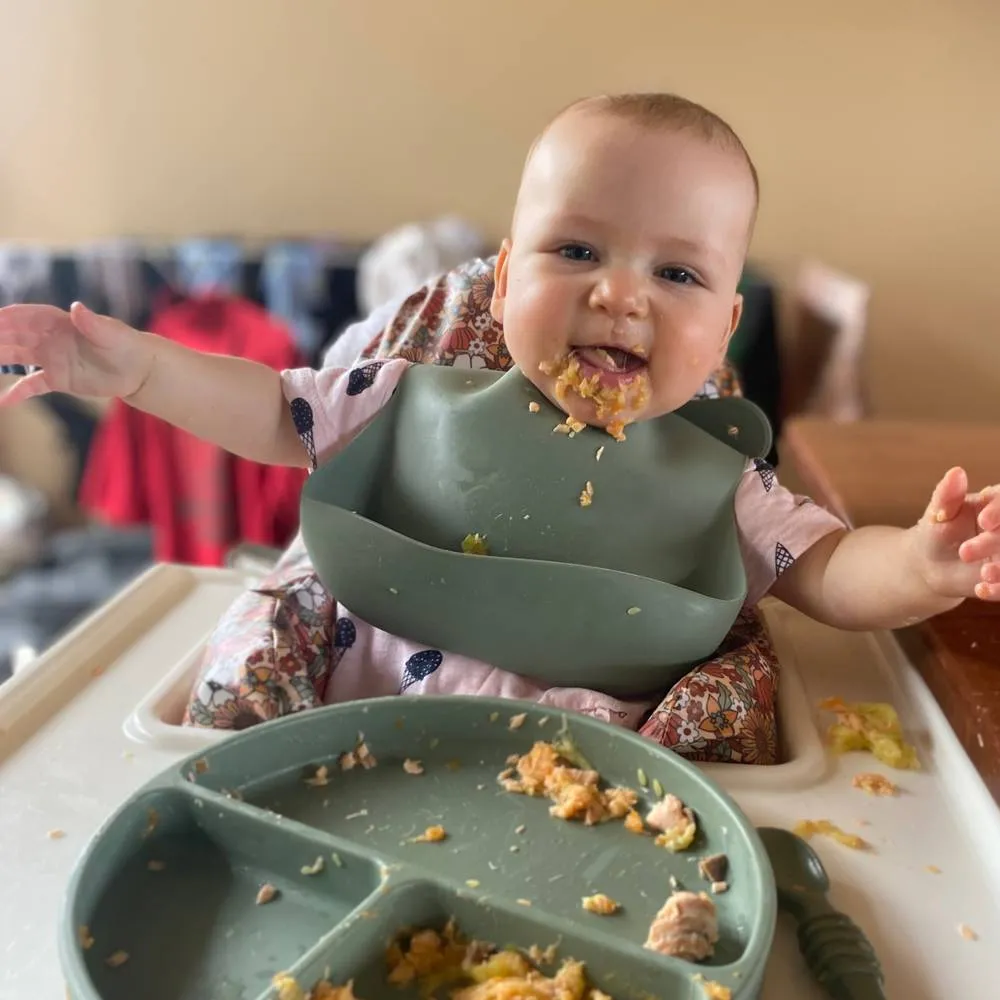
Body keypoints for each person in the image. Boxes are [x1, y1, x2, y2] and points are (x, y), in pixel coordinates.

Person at [1, 93, 997, 745]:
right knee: (258, 626)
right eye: (575, 252)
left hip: (594, 769)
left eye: (677, 272)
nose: (620, 295)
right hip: (350, 729)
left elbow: (822, 571)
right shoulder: (412, 395)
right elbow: (274, 410)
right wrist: (131, 368)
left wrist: (918, 565)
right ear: (506, 277)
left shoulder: (714, 474)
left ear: (726, 326)